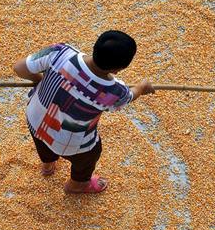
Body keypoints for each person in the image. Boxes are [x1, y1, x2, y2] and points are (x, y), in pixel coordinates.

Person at [12, 30, 155, 194]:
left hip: (36, 120)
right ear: (118, 69)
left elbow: (19, 68)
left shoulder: (60, 51)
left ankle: (48, 165)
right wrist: (142, 87)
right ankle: (77, 185)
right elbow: (130, 96)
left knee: (43, 142)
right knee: (89, 156)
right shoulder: (114, 92)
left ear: (95, 47)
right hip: (71, 141)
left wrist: (39, 80)